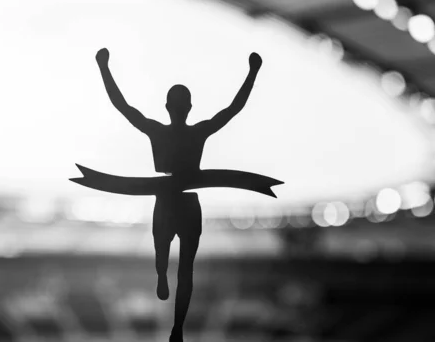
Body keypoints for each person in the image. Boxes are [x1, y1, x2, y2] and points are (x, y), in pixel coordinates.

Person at [72, 48, 281, 342]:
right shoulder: (192, 132)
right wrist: (253, 72)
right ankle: (163, 284)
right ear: (188, 107)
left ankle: (176, 326)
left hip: (173, 202)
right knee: (176, 264)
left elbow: (122, 105)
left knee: (178, 263)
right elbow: (232, 109)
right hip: (181, 202)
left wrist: (103, 67)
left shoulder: (161, 131)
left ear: (168, 106)